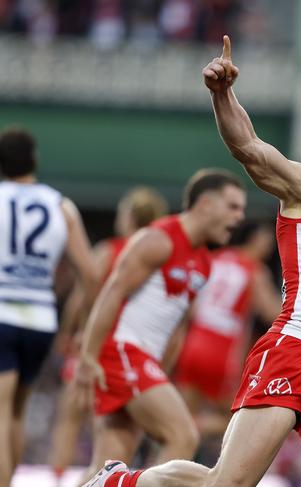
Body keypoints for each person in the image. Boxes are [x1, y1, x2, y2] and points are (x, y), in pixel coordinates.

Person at [83, 34, 301, 487]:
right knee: (227, 483)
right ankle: (119, 481)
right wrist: (222, 95)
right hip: (293, 354)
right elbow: (251, 150)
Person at [74, 168, 246, 485]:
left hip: (142, 361)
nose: (239, 217)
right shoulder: (158, 240)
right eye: (233, 207)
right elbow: (112, 292)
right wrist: (88, 356)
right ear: (205, 203)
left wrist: (160, 371)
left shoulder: (204, 262)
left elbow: (177, 327)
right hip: (122, 352)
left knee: (106, 465)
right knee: (182, 434)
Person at [0, 127, 99, 487]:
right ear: (34, 158)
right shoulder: (60, 205)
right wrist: (85, 323)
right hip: (41, 318)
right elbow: (90, 273)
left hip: (2, 311)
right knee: (16, 413)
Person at [49, 186, 169, 484]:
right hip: (133, 351)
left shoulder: (111, 250)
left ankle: (58, 477)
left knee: (70, 417)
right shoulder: (159, 258)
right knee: (112, 430)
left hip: (96, 343)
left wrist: (69, 331)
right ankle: (109, 478)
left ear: (128, 217)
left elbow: (81, 297)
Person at [174, 221, 282, 441]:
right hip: (221, 350)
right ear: (256, 239)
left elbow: (191, 304)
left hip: (194, 342)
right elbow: (273, 313)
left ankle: (168, 460)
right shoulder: (254, 270)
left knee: (183, 416)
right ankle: (199, 432)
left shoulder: (214, 259)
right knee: (237, 419)